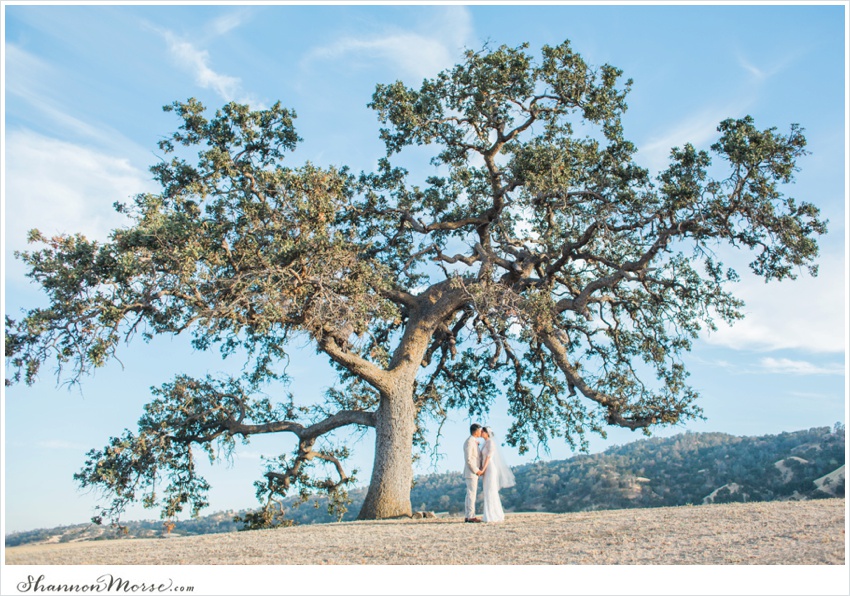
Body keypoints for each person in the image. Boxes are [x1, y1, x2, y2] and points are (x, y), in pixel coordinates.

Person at [479, 426, 516, 523]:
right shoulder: (485, 443)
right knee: (487, 490)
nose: (481, 433)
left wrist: (483, 469)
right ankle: (489, 514)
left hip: (490, 468)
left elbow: (488, 457)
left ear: (487, 433)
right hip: (486, 468)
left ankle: (494, 515)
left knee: (491, 490)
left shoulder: (491, 442)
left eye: (483, 431)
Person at [462, 423, 484, 523]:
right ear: (475, 431)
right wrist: (476, 470)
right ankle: (471, 516)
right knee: (471, 494)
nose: (481, 432)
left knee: (470, 494)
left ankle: (468, 515)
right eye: (480, 430)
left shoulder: (473, 441)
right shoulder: (470, 442)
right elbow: (469, 459)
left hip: (472, 472)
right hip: (471, 472)